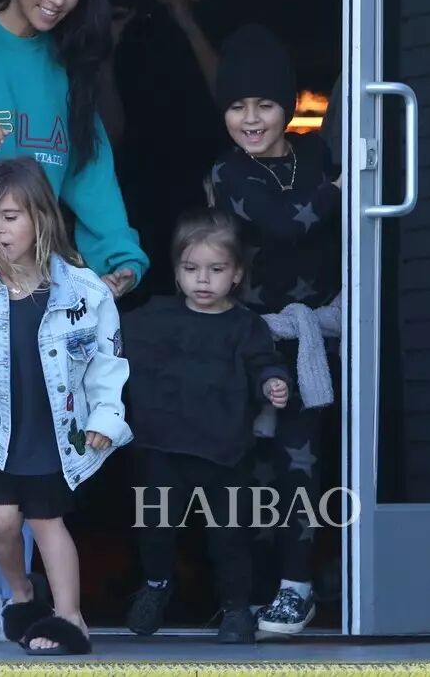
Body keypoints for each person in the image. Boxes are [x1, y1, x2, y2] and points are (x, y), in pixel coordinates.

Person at [0, 0, 148, 641]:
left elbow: (88, 167)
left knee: (33, 432)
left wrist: (118, 256)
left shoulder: (66, 63)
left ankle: (14, 602)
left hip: (40, 270)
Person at [0, 157, 132, 655]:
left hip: (55, 429)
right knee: (0, 521)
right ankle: (21, 596)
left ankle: (70, 618)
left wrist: (107, 417)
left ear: (41, 217)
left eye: (9, 217)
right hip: (3, 430)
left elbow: (107, 362)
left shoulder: (84, 290)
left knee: (46, 522)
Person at [210, 24, 341, 635]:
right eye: (237, 106)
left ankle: (298, 586)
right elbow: (286, 223)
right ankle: (249, 589)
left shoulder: (315, 157)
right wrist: (339, 191)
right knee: (252, 471)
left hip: (318, 339)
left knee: (302, 465)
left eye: (264, 104)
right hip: (256, 343)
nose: (251, 119)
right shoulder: (227, 172)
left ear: (287, 106)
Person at [121, 208, 290, 642]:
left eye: (216, 270)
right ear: (176, 271)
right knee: (155, 529)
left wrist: (273, 381)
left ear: (236, 274)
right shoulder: (154, 316)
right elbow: (110, 341)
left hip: (226, 452)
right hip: (162, 448)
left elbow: (264, 361)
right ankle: (156, 586)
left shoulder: (246, 325)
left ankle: (236, 610)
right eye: (190, 268)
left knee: (229, 537)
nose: (202, 280)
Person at [106, 0, 245, 295]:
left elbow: (239, 105)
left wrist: (188, 22)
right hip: (137, 201)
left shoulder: (239, 14)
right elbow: (108, 129)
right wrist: (106, 50)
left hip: (212, 202)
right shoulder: (136, 15)